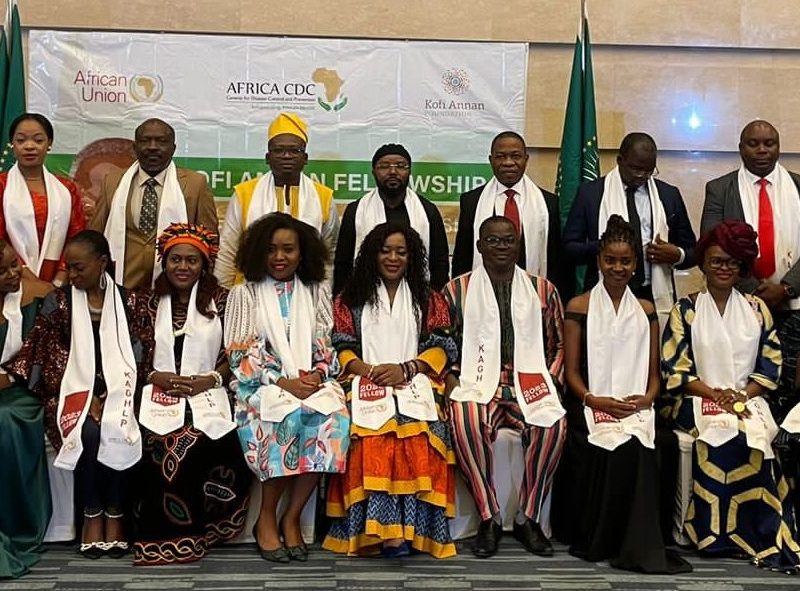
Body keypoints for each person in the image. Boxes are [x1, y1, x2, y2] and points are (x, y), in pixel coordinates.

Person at [661, 220, 800, 573]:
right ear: (703, 265)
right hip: (695, 399)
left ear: (740, 267)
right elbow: (674, 366)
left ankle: (754, 532)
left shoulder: (757, 309)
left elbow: (771, 366)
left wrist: (741, 394)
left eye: (730, 262)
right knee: (719, 435)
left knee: (756, 438)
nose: (723, 268)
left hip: (748, 397)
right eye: (715, 261)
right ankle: (713, 535)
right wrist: (715, 394)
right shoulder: (685, 309)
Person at [555, 215, 691, 573]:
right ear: (598, 260)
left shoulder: (646, 310)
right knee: (612, 444)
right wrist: (592, 400)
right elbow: (571, 373)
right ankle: (602, 537)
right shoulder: (578, 306)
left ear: (636, 264)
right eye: (610, 260)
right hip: (590, 400)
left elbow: (653, 374)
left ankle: (639, 542)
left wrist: (646, 399)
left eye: (626, 261)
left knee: (648, 443)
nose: (618, 268)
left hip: (636, 402)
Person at [7, 230, 149, 559]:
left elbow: (141, 356)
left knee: (117, 425)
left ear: (102, 264)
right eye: (69, 268)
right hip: (71, 392)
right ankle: (92, 513)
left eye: (79, 268)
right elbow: (50, 360)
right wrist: (89, 399)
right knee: (87, 431)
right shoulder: (59, 303)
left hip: (121, 392)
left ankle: (115, 513)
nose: (72, 275)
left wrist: (110, 395)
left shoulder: (131, 302)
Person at [324, 222, 457, 558]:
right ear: (372, 254)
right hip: (365, 379)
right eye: (385, 250)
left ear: (411, 256)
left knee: (420, 434)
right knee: (372, 436)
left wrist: (408, 369)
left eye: (401, 251)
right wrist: (368, 371)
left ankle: (414, 531)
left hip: (416, 379)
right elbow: (341, 346)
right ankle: (379, 533)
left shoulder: (429, 298)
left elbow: (443, 345)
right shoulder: (349, 298)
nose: (393, 257)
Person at [224, 212, 350, 562]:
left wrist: (317, 376)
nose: (279, 257)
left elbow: (326, 345)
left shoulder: (314, 292)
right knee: (285, 419)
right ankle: (266, 519)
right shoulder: (244, 294)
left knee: (333, 420)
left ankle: (291, 517)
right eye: (271, 250)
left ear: (302, 253)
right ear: (257, 253)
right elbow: (240, 356)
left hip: (309, 382)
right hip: (261, 386)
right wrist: (283, 382)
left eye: (288, 250)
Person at [444, 215, 567, 559]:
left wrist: (552, 381)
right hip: (478, 381)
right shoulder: (457, 290)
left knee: (554, 424)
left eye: (508, 240)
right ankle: (488, 516)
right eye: (493, 241)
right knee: (464, 415)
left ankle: (527, 516)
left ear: (519, 245)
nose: (501, 247)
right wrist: (453, 380)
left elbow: (557, 345)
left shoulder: (544, 290)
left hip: (529, 381)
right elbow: (443, 344)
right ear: (480, 246)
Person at [132, 223, 251, 565]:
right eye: (175, 260)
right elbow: (130, 353)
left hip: (209, 393)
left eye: (191, 261)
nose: (183, 267)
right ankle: (159, 539)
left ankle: (201, 532)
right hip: (156, 392)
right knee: (158, 443)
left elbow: (237, 353)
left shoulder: (225, 301)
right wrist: (157, 376)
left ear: (204, 264)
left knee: (200, 439)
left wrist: (210, 379)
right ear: (164, 263)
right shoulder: (146, 302)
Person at [702, 120, 800, 414]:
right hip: (742, 307)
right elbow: (712, 247)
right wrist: (755, 292)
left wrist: (785, 288)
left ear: (779, 147)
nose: (761, 150)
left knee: (791, 393)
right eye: (753, 143)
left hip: (795, 306)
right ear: (740, 148)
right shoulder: (720, 189)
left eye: (768, 143)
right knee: (751, 387)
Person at [563, 132, 696, 325]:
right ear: (620, 161)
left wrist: (676, 255)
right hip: (605, 292)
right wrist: (607, 248)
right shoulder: (591, 194)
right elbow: (569, 248)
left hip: (653, 293)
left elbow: (693, 251)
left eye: (649, 171)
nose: (641, 176)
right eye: (635, 169)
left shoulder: (668, 195)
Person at [89, 118, 218, 290]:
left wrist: (204, 287)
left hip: (175, 289)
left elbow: (209, 241)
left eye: (161, 141)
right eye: (145, 141)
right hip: (121, 286)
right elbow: (94, 236)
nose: (152, 147)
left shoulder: (195, 184)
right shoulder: (113, 182)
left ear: (173, 149)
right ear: (134, 148)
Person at [215, 112, 339, 287]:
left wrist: (323, 296)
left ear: (305, 159)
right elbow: (228, 250)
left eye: (294, 151)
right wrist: (222, 296)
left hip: (306, 293)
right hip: (251, 291)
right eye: (279, 150)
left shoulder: (323, 197)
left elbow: (327, 257)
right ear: (267, 157)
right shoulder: (244, 193)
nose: (286, 156)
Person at [450, 131, 570, 298]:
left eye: (515, 156)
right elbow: (462, 257)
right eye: (501, 156)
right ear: (491, 160)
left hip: (534, 295)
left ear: (526, 159)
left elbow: (556, 260)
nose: (508, 163)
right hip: (482, 294)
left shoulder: (548, 203)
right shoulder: (472, 201)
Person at [333, 144, 449, 294]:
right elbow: (343, 263)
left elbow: (439, 262)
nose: (393, 171)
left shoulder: (427, 211)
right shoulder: (356, 210)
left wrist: (435, 301)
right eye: (384, 166)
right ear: (373, 172)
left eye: (401, 166)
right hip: (364, 297)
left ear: (409, 172)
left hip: (418, 298)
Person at [0, 239, 51, 578]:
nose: (13, 273)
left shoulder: (36, 299)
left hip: (20, 393)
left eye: (14, 264)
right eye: (2, 271)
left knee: (5, 421)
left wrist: (8, 378)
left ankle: (16, 524)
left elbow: (39, 359)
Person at [0, 113, 86, 287]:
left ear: (49, 144)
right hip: (9, 279)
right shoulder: (2, 185)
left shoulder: (66, 188)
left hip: (59, 282)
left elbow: (76, 236)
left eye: (38, 140)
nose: (29, 146)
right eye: (21, 140)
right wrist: (24, 276)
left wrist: (61, 276)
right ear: (12, 145)